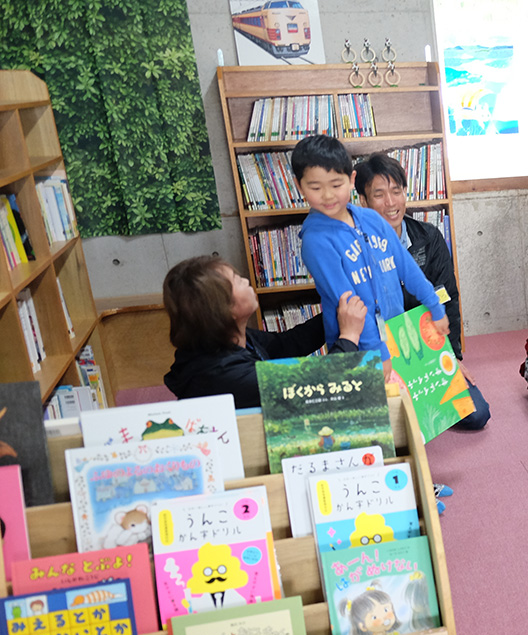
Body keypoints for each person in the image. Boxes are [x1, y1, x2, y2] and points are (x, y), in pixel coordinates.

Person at [354, 153, 489, 430]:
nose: (391, 203)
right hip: (381, 355)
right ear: (363, 202)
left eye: (397, 191)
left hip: (426, 351)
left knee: (477, 415)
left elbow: (447, 299)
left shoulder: (429, 237)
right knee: (386, 425)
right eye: (379, 195)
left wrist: (451, 359)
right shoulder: (355, 250)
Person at [292, 135, 448, 362]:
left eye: (336, 185)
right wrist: (379, 354)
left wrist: (434, 306)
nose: (327, 195)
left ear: (351, 180)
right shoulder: (316, 241)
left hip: (396, 334)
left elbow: (407, 267)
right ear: (299, 185)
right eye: (315, 187)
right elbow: (350, 307)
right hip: (361, 351)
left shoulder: (371, 219)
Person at [163, 255, 365, 408]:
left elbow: (285, 344)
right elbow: (313, 385)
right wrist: (349, 336)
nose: (245, 280)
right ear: (222, 309)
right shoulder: (224, 374)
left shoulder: (232, 338)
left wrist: (335, 316)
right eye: (236, 280)